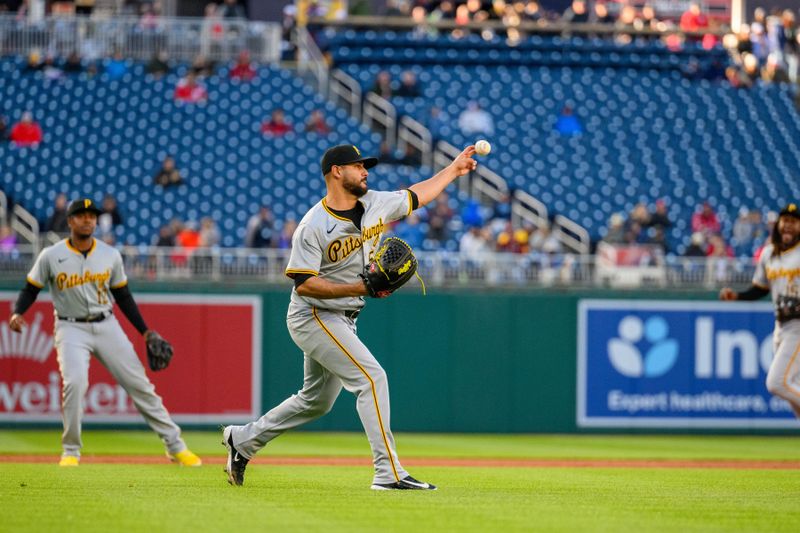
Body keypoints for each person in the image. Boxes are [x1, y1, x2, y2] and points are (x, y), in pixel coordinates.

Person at [222, 143, 478, 490]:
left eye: (365, 166)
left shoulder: (375, 202)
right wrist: (361, 286)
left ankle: (243, 440)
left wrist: (453, 169)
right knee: (371, 379)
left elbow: (415, 195)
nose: (365, 171)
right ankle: (388, 473)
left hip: (345, 316)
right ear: (336, 172)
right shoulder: (313, 225)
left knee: (315, 402)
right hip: (312, 315)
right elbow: (304, 284)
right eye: (358, 166)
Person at [8, 198, 201, 467]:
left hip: (106, 324)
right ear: (70, 221)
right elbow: (31, 288)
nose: (88, 219)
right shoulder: (51, 256)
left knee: (140, 384)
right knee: (75, 383)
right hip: (69, 326)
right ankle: (71, 451)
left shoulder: (110, 255)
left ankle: (175, 446)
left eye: (92, 215)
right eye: (81, 215)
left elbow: (123, 297)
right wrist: (18, 312)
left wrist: (144, 331)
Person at [720, 204, 800, 420]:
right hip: (781, 326)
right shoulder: (768, 254)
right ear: (779, 224)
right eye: (786, 220)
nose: (789, 225)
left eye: (794, 221)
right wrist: (738, 296)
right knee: (794, 394)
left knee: (777, 383)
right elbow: (761, 288)